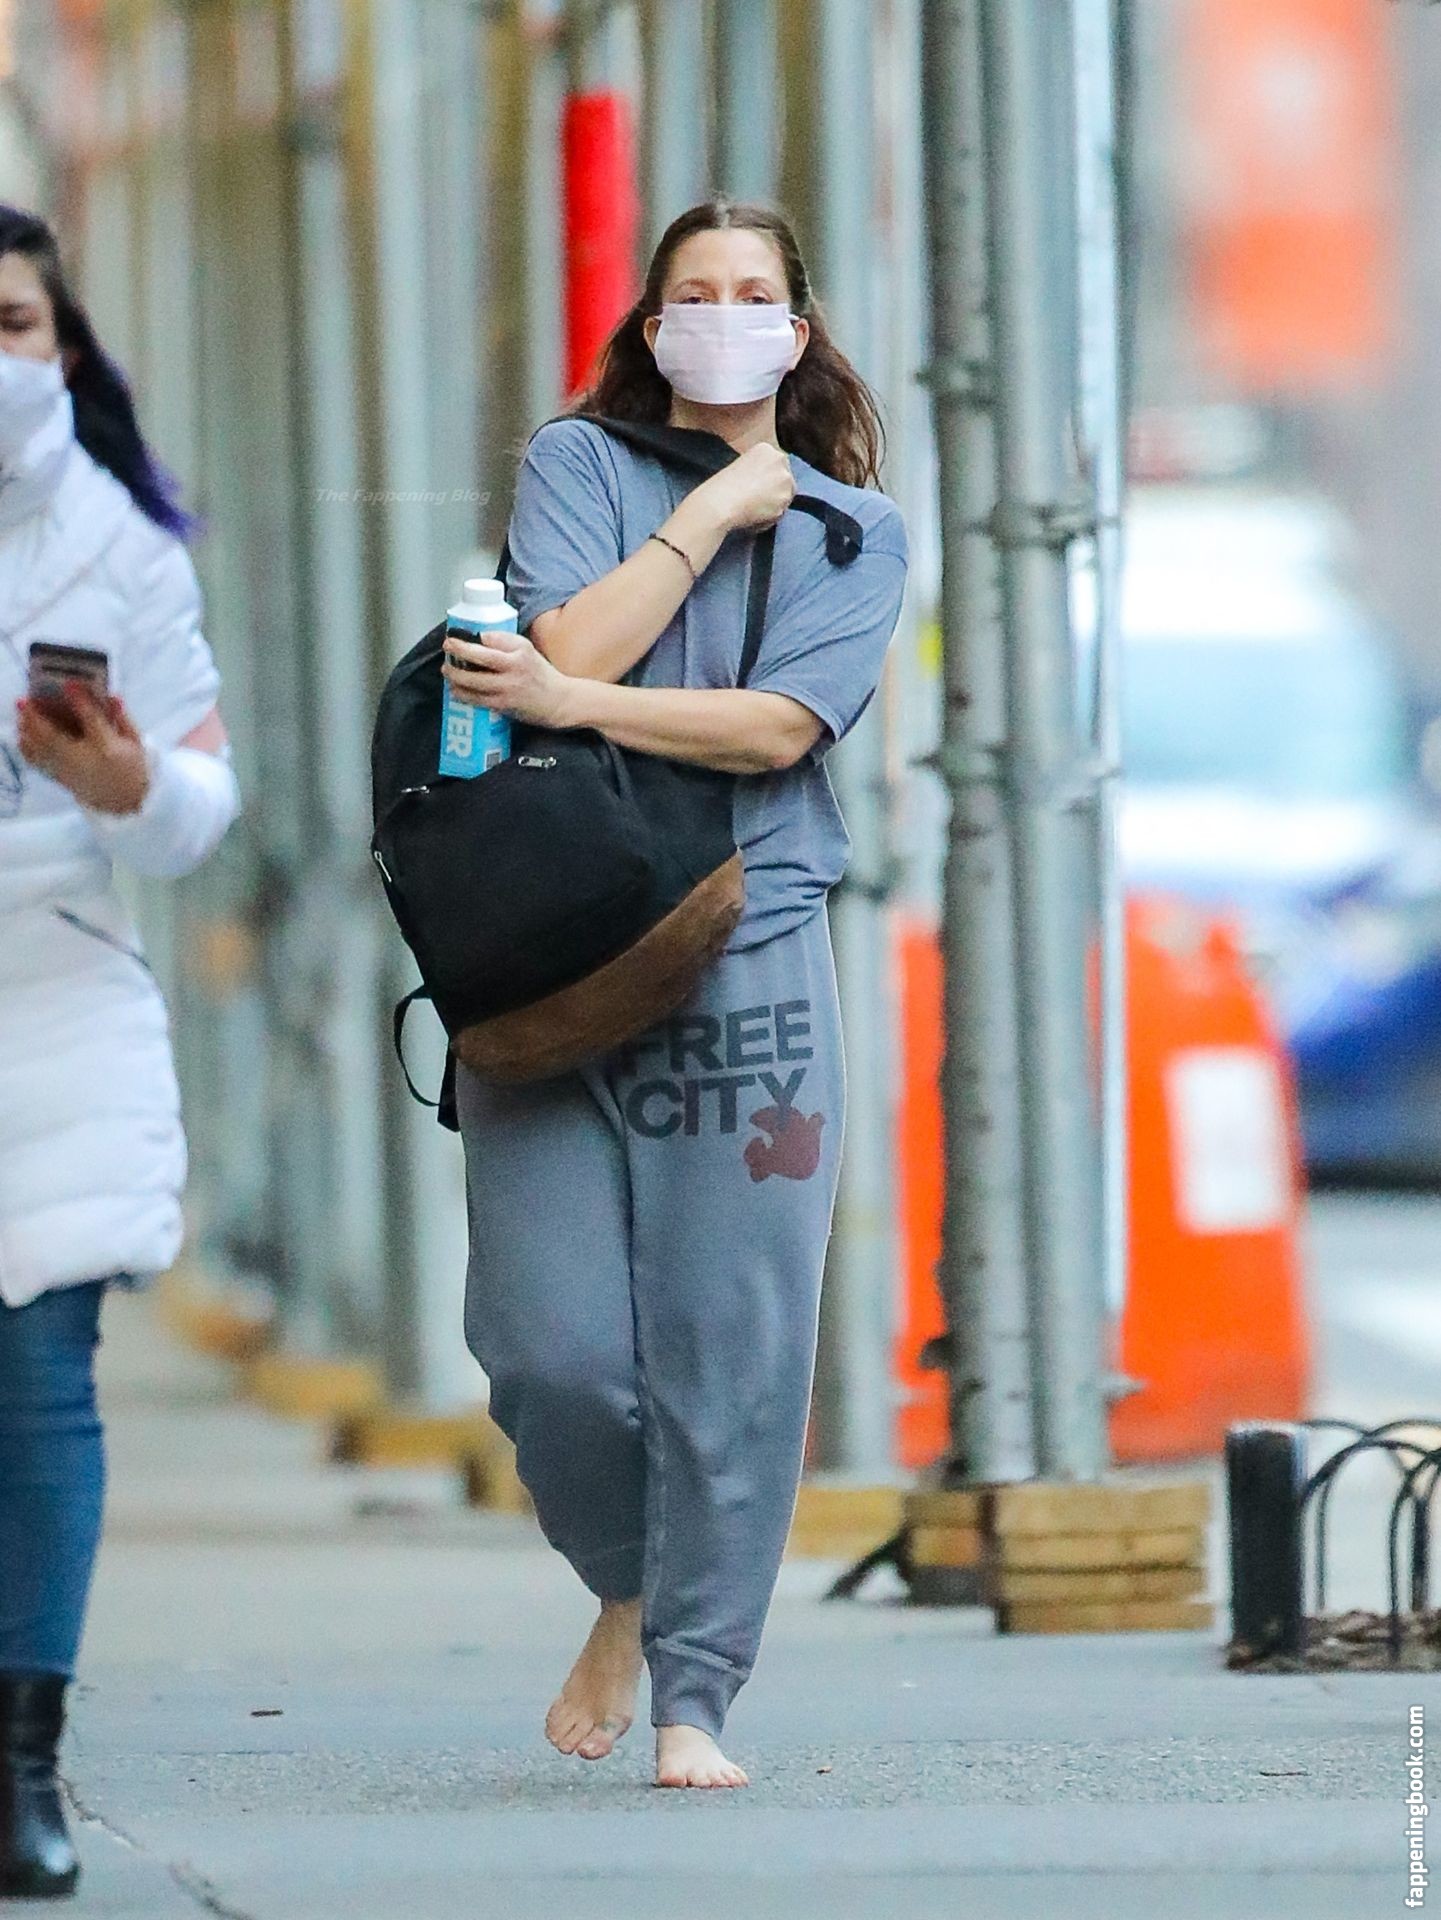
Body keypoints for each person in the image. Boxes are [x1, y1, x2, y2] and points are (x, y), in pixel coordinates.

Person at [442, 198, 907, 1789]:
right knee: (545, 1346)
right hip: (550, 945)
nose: (720, 315)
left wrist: (572, 702)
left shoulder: (854, 530)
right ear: (651, 328)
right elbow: (571, 637)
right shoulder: (578, 464)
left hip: (752, 940)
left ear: (795, 329)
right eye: (690, 294)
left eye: (751, 292)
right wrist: (706, 517)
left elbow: (780, 729)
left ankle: (694, 1690)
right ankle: (630, 1588)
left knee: (733, 1340)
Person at [0, 206, 239, 1897]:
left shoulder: (125, 552)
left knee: (37, 1379)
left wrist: (128, 783)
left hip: (53, 995)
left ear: (64, 349)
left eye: (11, 324)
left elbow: (203, 808)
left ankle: (24, 1767)